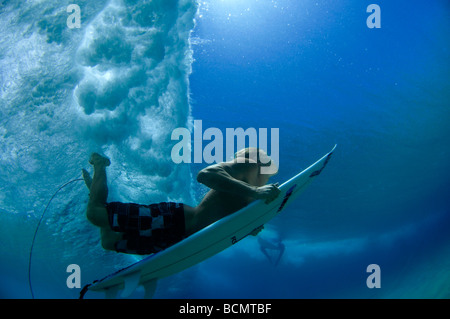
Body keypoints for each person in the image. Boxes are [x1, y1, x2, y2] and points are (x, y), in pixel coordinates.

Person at [82, 148, 280, 255]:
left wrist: (248, 228)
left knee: (109, 242)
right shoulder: (251, 164)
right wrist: (256, 190)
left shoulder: (255, 192)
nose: (271, 175)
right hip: (175, 220)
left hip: (180, 241)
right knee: (95, 214)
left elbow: (227, 219)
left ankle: (96, 192)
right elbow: (206, 175)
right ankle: (100, 164)